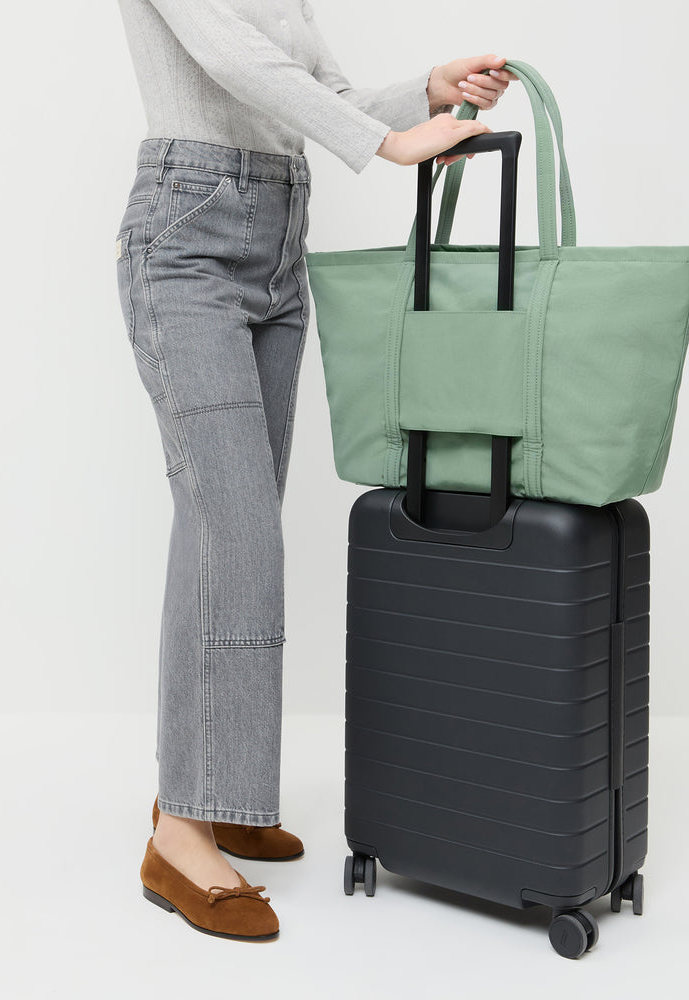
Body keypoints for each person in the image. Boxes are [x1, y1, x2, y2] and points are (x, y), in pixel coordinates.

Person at [114, 0, 514, 942]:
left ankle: (217, 787)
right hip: (187, 242)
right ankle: (178, 835)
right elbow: (235, 61)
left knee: (222, 532)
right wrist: (386, 143)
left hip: (277, 249)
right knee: (238, 529)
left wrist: (425, 92)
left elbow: (314, 92)